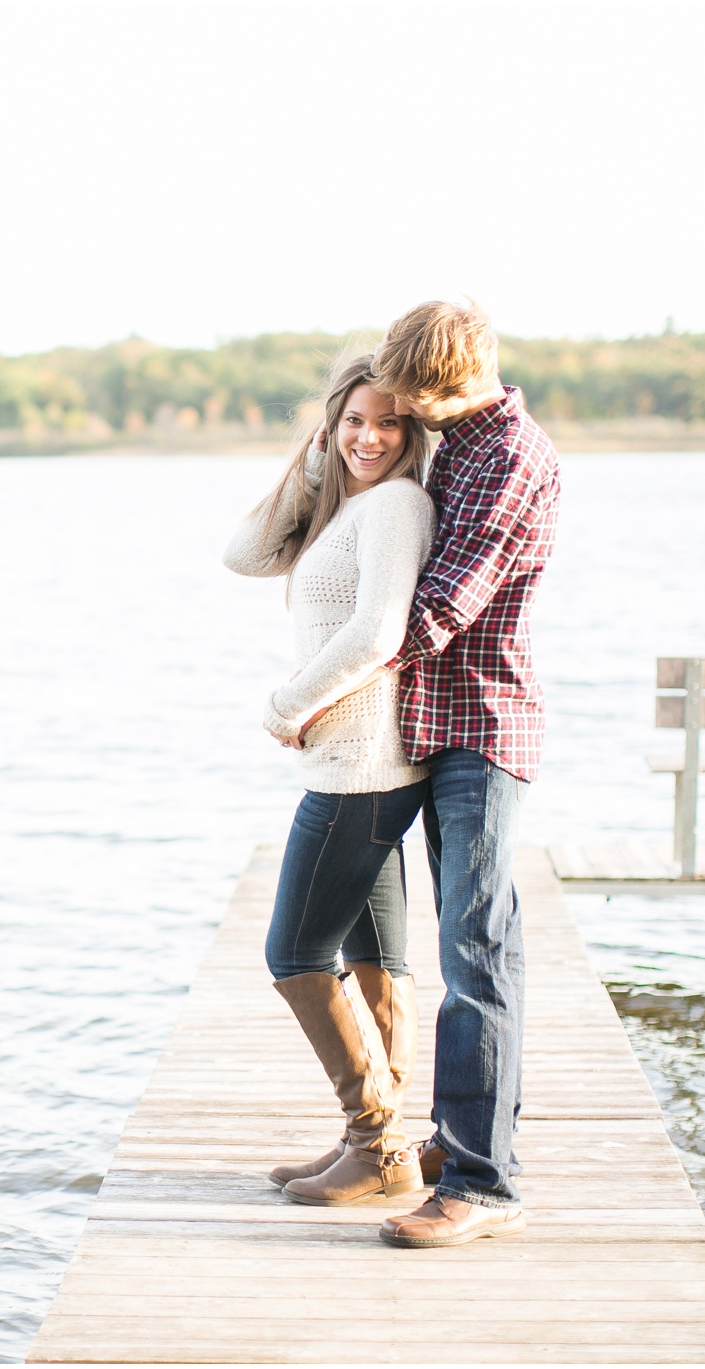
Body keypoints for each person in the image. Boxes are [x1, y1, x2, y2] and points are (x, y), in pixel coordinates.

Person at [367, 300, 561, 1250]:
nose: (408, 410)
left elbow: (443, 607)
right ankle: (464, 1137)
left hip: (482, 727)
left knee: (475, 952)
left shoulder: (515, 455)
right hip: (440, 724)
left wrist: (334, 677)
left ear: (458, 378)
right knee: (481, 942)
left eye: (417, 395)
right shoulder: (460, 442)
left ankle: (482, 1184)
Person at [223, 352, 437, 1207]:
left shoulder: (395, 504)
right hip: (366, 765)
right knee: (375, 953)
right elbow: (243, 553)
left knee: (295, 950)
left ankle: (376, 1139)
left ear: (412, 431)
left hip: (360, 767)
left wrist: (289, 703)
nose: (370, 436)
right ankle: (382, 1143)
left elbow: (381, 629)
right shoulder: (349, 506)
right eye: (354, 419)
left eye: (389, 422)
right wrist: (318, 458)